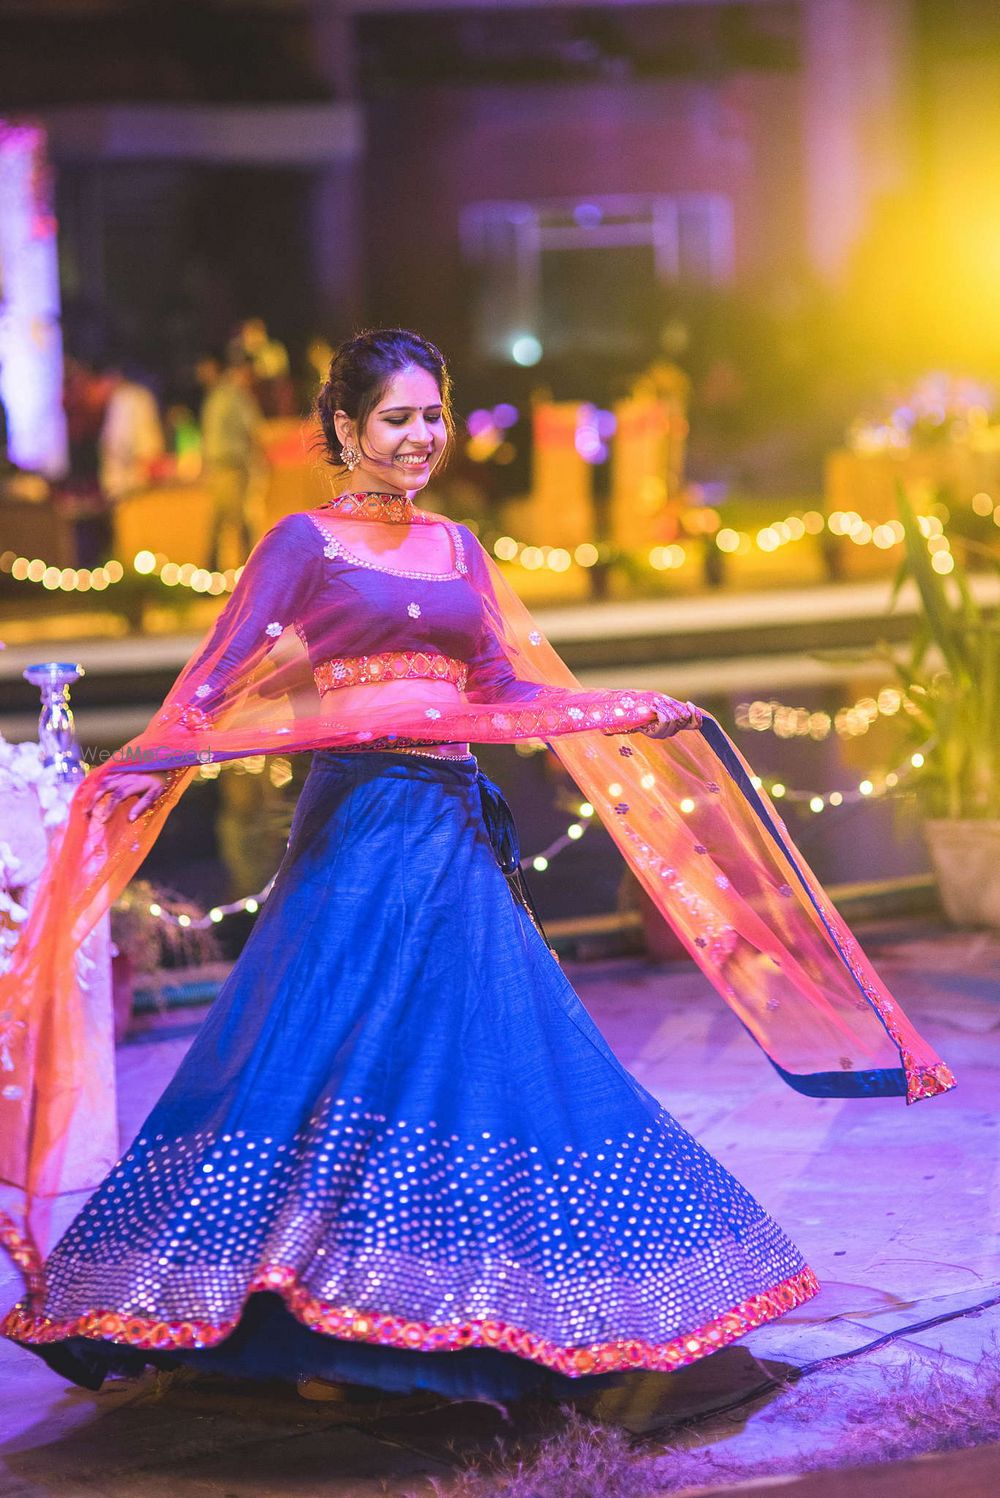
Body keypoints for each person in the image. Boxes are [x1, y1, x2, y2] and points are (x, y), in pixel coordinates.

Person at [0, 330, 953, 1404]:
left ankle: (479, 1303)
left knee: (493, 1049)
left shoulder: (459, 548)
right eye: (396, 419)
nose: (419, 438)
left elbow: (501, 688)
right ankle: (280, 1299)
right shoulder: (301, 543)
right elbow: (211, 687)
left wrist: (620, 708)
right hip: (357, 834)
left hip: (449, 831)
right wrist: (142, 769)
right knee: (320, 1050)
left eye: (432, 417)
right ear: (347, 430)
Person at [195, 353, 263, 571]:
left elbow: (252, 430)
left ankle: (249, 570)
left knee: (239, 520)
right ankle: (213, 573)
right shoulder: (215, 396)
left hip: (234, 467)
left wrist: (257, 464)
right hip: (219, 468)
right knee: (220, 521)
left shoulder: (233, 395)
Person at [97, 363, 165, 504]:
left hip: (130, 474)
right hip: (137, 470)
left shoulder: (125, 399)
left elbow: (121, 439)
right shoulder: (139, 395)